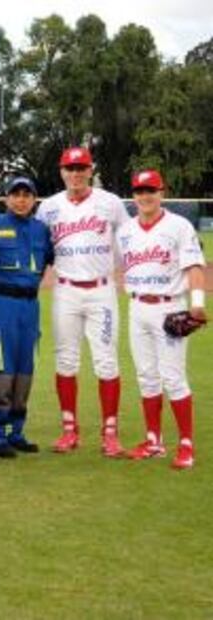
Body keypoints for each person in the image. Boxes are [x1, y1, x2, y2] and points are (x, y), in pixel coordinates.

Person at [35, 146, 130, 456]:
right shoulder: (48, 207)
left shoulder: (111, 203)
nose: (75, 173)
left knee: (106, 361)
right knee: (65, 360)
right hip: (65, 291)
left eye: (81, 168)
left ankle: (110, 434)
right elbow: (40, 249)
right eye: (70, 168)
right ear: (62, 172)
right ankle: (68, 430)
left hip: (101, 291)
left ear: (90, 170)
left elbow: (126, 244)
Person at [117, 169, 206, 469]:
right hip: (137, 307)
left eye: (150, 190)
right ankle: (154, 441)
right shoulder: (126, 231)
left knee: (173, 377)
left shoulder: (179, 226)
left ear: (162, 193)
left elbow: (195, 267)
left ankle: (186, 444)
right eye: (140, 191)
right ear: (134, 196)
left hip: (170, 308)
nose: (145, 196)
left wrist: (196, 304)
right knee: (146, 375)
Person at [0, 177, 54, 458]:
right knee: (1, 369)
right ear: (6, 199)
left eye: (26, 195)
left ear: (34, 199)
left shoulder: (42, 231)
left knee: (24, 372)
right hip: (3, 305)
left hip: (30, 307)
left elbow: (52, 260)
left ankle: (16, 432)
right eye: (15, 195)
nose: (21, 200)